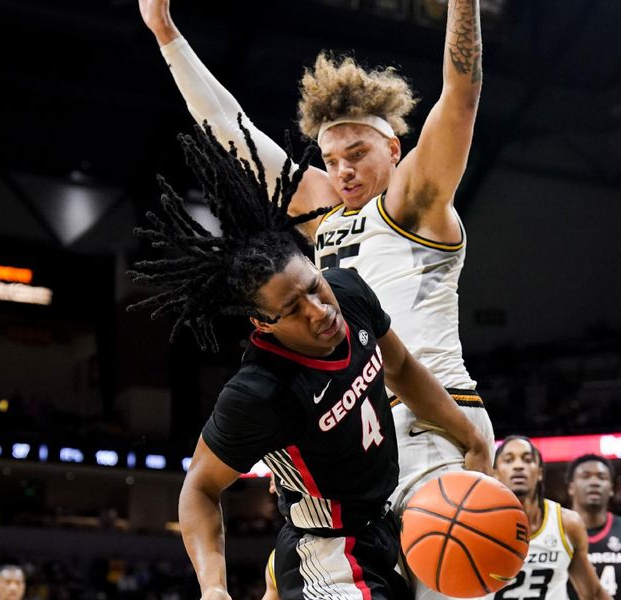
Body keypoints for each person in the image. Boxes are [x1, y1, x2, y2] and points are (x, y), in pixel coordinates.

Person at [138, 6, 495, 588]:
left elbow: (461, 94)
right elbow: (231, 132)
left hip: (435, 424)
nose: (344, 170)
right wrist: (168, 36)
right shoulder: (321, 214)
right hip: (352, 435)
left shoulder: (414, 203)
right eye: (331, 159)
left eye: (357, 153)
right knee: (292, 577)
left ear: (394, 148)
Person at [490, 437, 611, 600]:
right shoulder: (475, 524)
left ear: (539, 472)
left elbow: (593, 594)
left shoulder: (567, 523)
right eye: (509, 460)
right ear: (495, 473)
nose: (518, 466)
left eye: (527, 459)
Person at [565, 454, 621, 600]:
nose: (594, 482)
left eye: (602, 477)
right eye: (585, 476)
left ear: (611, 489)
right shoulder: (555, 532)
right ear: (571, 487)